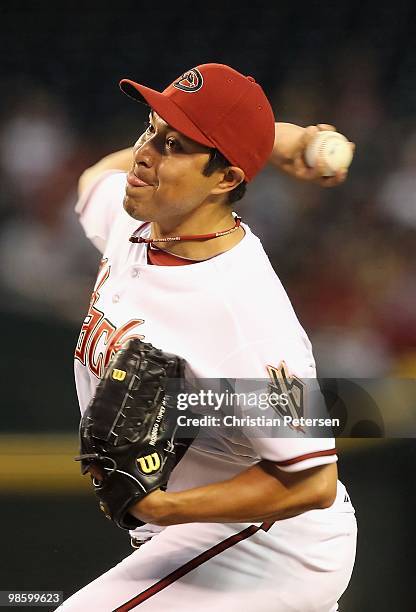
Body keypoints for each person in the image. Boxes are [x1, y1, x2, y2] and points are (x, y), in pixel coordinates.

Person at [60, 63, 356, 611]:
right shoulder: (139, 221)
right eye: (149, 128)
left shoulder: (248, 313)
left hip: (272, 543)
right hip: (196, 540)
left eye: (173, 145)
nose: (144, 153)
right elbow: (94, 176)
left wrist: (162, 509)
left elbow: (313, 481)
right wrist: (283, 139)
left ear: (225, 179)